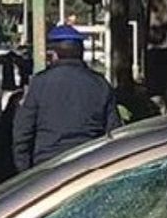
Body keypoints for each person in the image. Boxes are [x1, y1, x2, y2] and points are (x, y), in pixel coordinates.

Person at [12, 24, 119, 170]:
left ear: (54, 54)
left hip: (48, 166)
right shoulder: (100, 84)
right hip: (89, 164)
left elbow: (23, 131)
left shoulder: (40, 83)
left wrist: (24, 170)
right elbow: (114, 131)